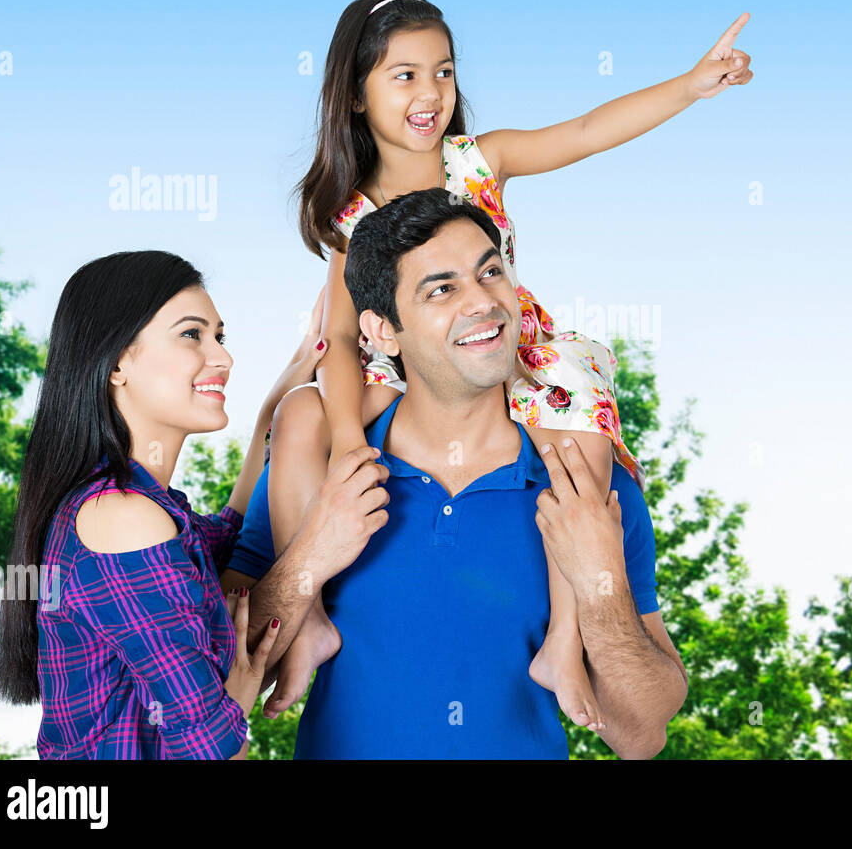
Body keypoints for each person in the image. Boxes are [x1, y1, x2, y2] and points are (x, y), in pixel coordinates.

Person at [267, 0, 750, 730]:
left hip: (503, 345)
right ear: (356, 95)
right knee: (301, 417)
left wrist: (690, 84)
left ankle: (564, 639)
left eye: (443, 72)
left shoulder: (477, 161)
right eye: (403, 76)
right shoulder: (354, 215)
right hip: (393, 358)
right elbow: (337, 342)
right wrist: (344, 444)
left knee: (578, 421)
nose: (429, 93)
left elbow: (587, 130)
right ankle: (307, 620)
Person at [221, 189, 688, 758]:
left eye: (490, 272)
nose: (482, 301)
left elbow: (640, 736)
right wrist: (309, 558)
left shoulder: (588, 488)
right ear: (382, 332)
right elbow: (216, 685)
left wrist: (598, 586)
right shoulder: (315, 475)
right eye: (442, 288)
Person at [0, 250, 389, 758]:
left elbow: (232, 539)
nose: (223, 358)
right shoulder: (118, 518)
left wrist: (276, 414)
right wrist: (316, 553)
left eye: (219, 337)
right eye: (191, 334)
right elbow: (210, 748)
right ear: (116, 362)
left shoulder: (136, 508)